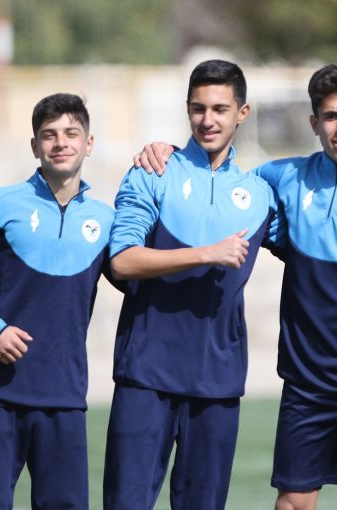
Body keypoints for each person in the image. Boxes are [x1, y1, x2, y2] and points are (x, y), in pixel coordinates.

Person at [136, 64, 337, 510]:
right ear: (314, 123)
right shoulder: (280, 178)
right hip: (308, 382)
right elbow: (222, 176)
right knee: (293, 502)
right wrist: (170, 152)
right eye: (331, 117)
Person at [103, 59, 281, 510]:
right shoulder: (152, 171)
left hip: (218, 381)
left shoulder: (261, 192)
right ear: (187, 110)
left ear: (242, 113)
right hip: (146, 374)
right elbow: (122, 260)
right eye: (198, 108)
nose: (208, 120)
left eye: (220, 109)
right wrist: (206, 253)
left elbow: (320, 246)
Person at [0, 93, 114, 509]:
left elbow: (140, 276)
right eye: (49, 135)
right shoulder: (0, 203)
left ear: (89, 143)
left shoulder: (107, 220)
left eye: (71, 133)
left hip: (64, 397)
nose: (61, 142)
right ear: (35, 146)